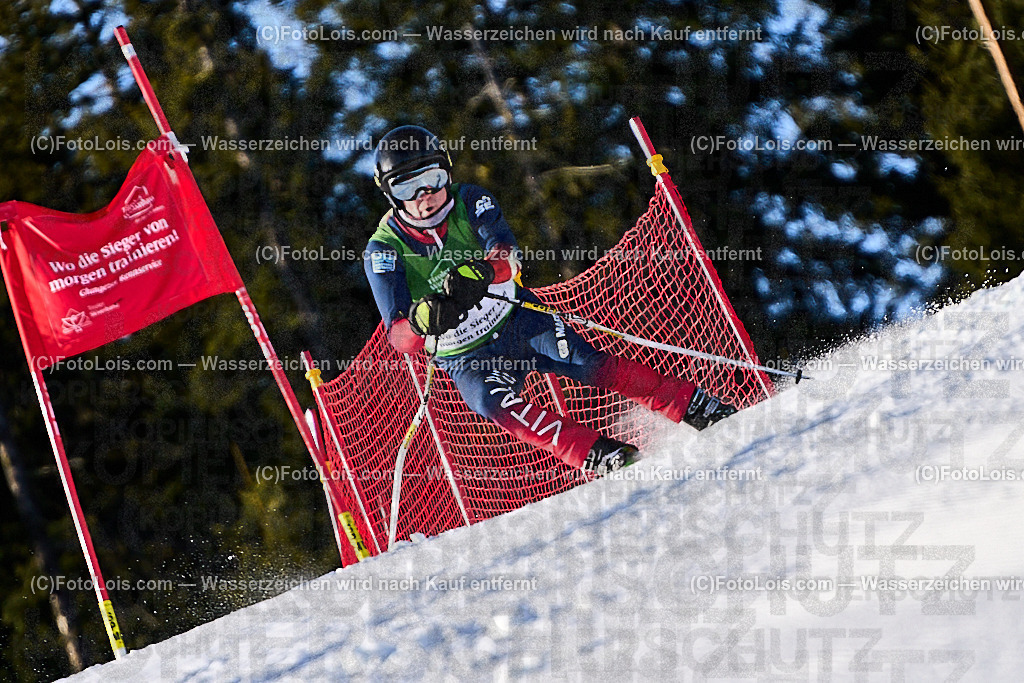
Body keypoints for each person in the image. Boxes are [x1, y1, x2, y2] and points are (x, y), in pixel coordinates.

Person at [363, 125, 737, 475]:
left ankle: (695, 405)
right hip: (466, 356)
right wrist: (422, 321)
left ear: (446, 171)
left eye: (432, 180)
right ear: (389, 195)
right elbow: (398, 338)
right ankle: (602, 455)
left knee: (589, 363)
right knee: (494, 405)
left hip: (518, 319)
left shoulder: (470, 199)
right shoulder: (384, 249)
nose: (424, 197)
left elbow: (508, 257)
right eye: (407, 189)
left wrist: (480, 274)